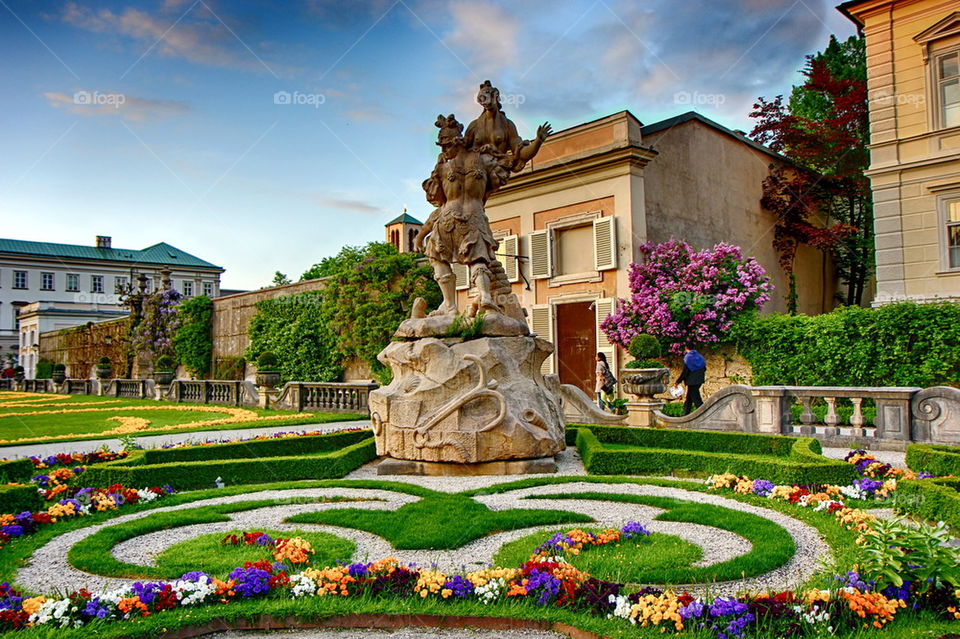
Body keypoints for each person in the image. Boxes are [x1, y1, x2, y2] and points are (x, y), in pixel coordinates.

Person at [676, 344, 706, 415]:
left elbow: (685, 371)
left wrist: (678, 381)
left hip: (691, 381)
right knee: (689, 398)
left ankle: (704, 414)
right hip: (700, 379)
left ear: (686, 348)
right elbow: (704, 368)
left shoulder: (688, 357)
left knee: (697, 400)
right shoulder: (700, 357)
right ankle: (685, 414)